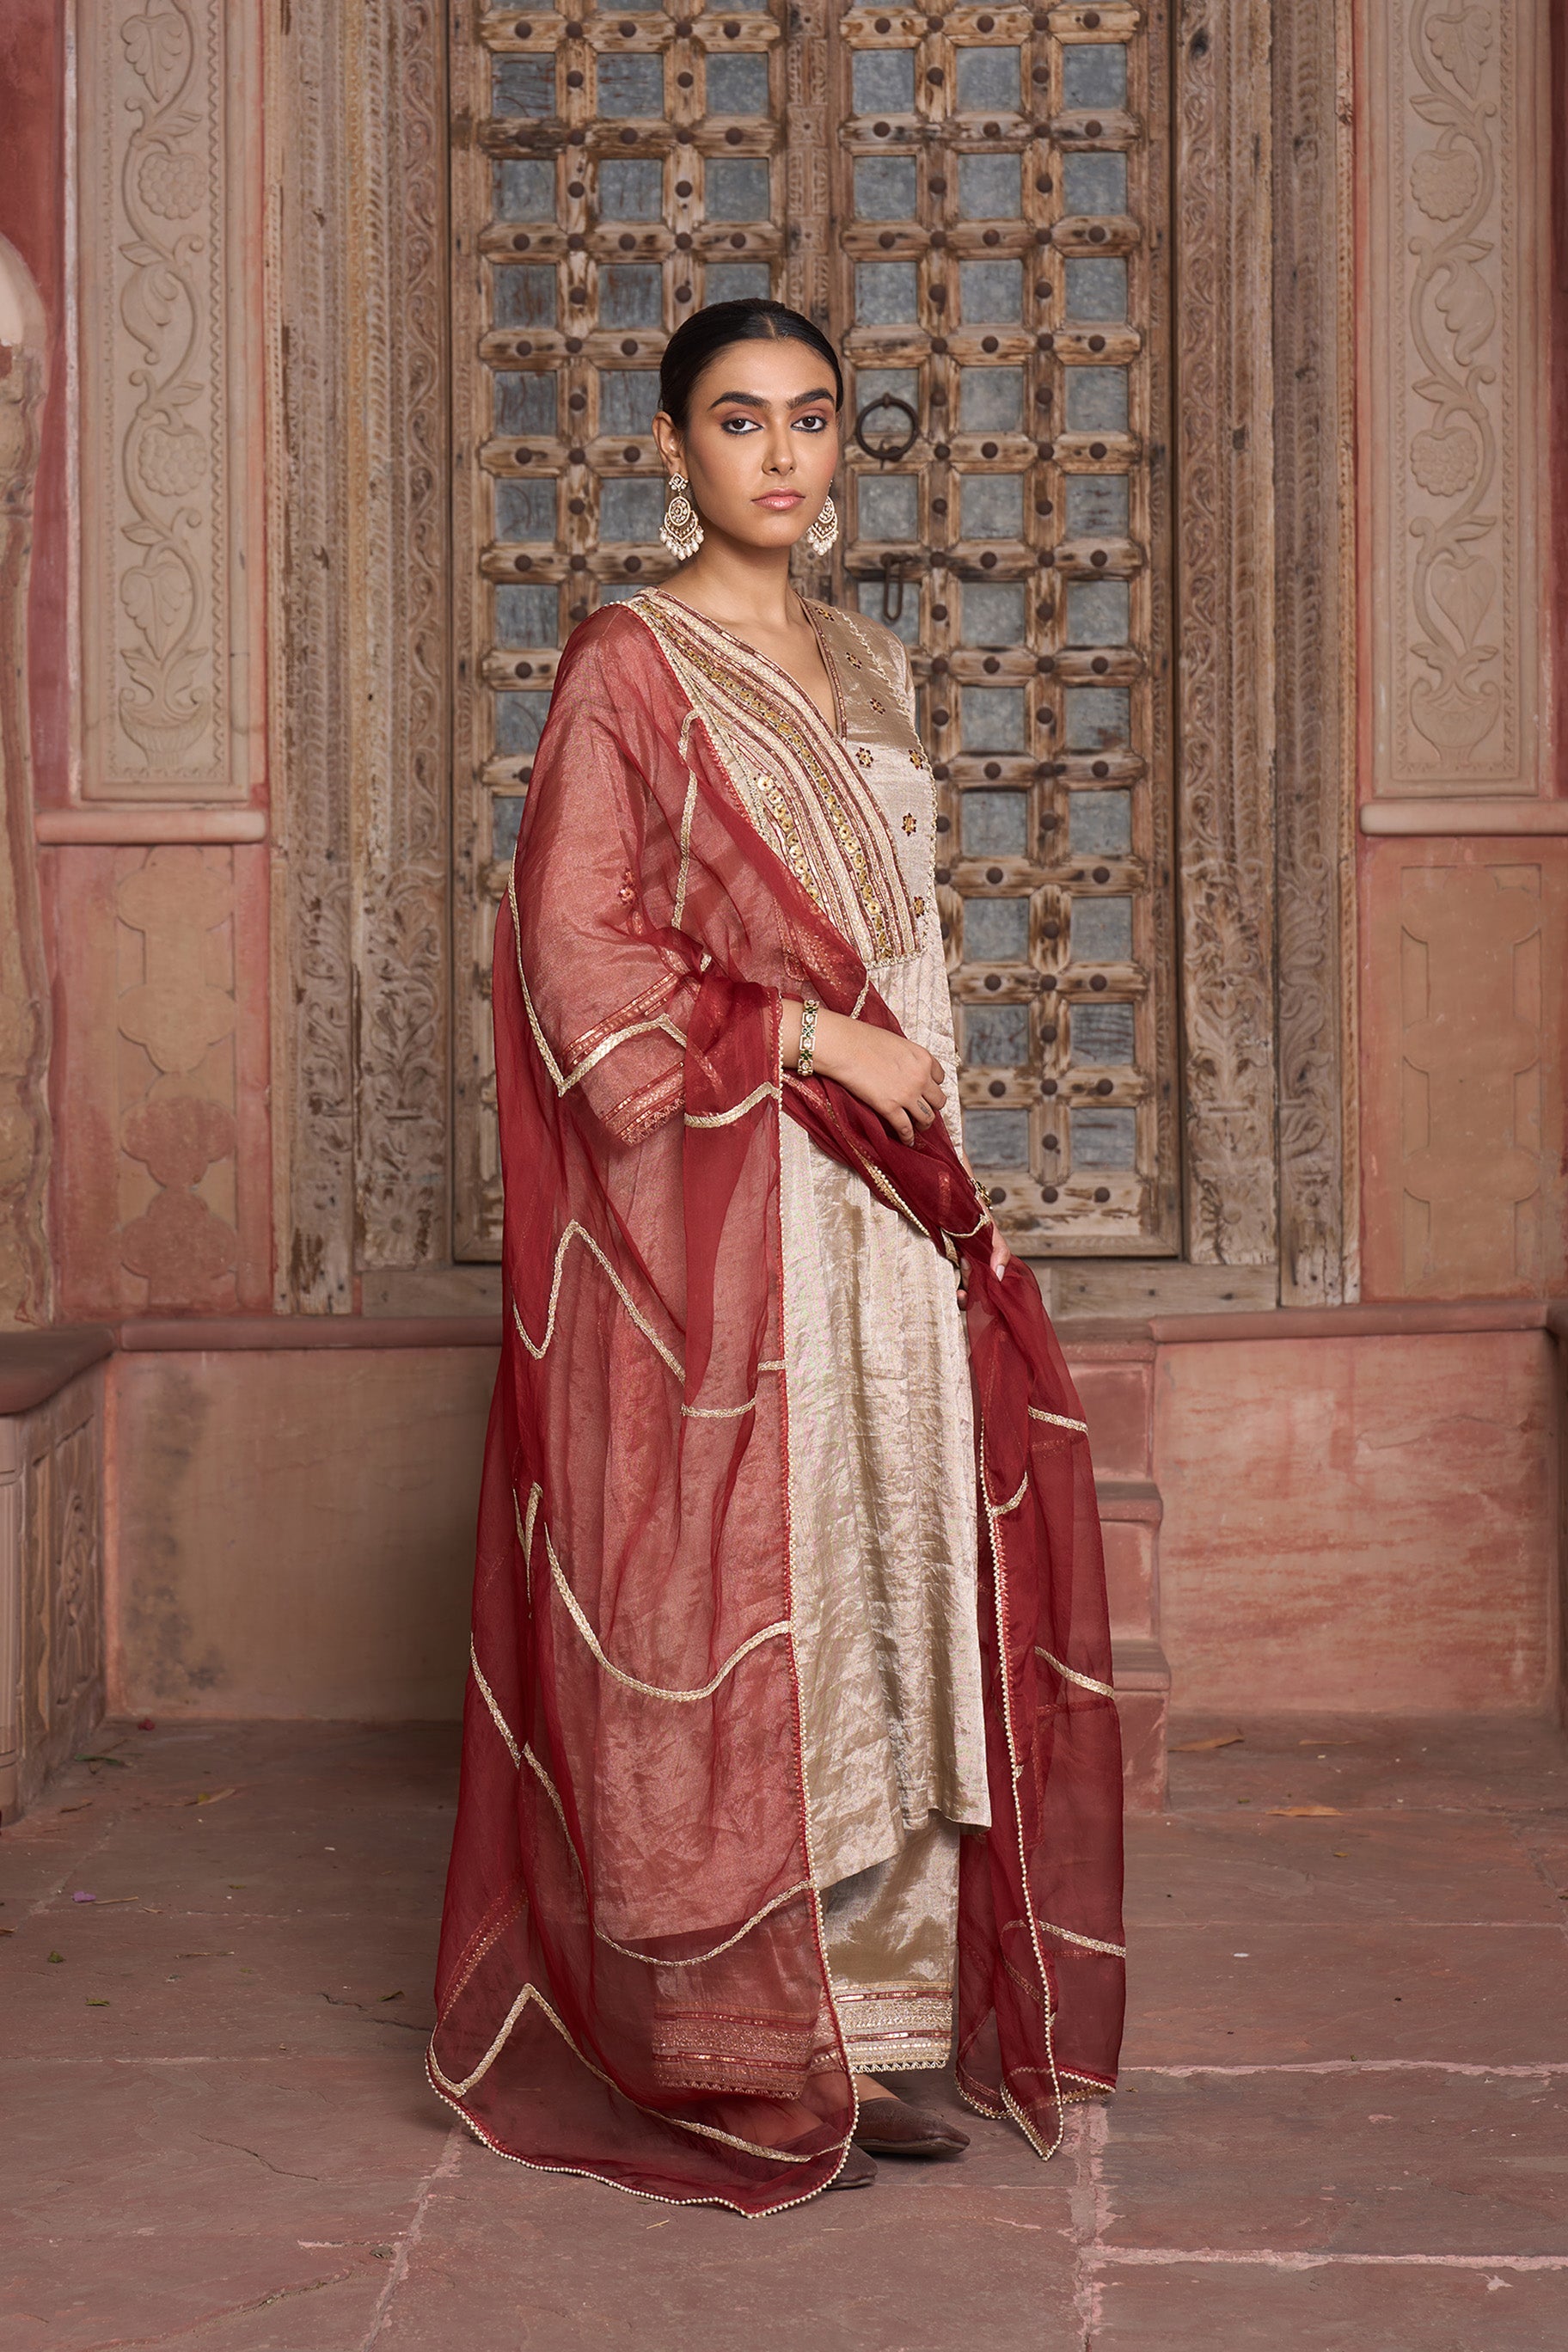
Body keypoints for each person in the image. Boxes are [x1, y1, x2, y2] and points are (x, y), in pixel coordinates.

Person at [428, 299, 1124, 2215]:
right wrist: (813, 1041)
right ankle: (738, 2036)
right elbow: (582, 958)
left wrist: (932, 1133)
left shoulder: (873, 662)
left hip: (888, 1201)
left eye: (812, 418)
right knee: (745, 1584)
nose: (784, 455)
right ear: (673, 448)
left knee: (894, 1580)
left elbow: (905, 938)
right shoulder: (628, 664)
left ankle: (871, 2027)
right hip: (737, 1207)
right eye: (740, 421)